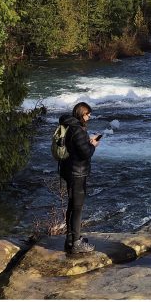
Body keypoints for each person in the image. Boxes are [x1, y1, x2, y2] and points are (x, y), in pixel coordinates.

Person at [59, 101, 100, 254]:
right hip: (77, 173)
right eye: (88, 114)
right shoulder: (78, 130)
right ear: (82, 114)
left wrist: (86, 143)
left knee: (72, 205)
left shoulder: (67, 125)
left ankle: (70, 239)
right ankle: (76, 243)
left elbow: (75, 148)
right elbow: (85, 153)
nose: (89, 117)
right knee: (77, 207)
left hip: (68, 170)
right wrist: (92, 145)